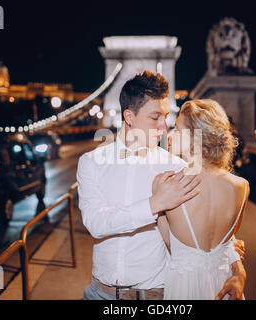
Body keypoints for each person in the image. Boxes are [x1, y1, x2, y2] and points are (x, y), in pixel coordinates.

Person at [77, 70, 246, 300]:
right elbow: (96, 223)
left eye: (166, 117)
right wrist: (154, 204)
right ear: (129, 116)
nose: (163, 126)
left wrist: (238, 269)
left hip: (156, 295)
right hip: (100, 293)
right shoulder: (91, 163)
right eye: (155, 117)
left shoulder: (177, 167)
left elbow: (213, 232)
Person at [155, 99, 249, 300]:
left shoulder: (166, 185)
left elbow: (170, 244)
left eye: (177, 129)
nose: (171, 135)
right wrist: (240, 271)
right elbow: (228, 242)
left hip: (185, 288)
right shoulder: (241, 186)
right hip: (224, 283)